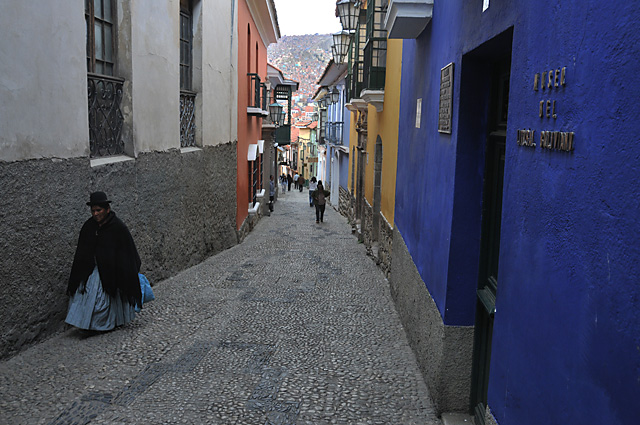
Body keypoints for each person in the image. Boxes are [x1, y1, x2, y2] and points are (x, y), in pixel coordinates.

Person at [66, 191, 142, 331]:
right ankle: (90, 325)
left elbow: (128, 252)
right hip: (93, 271)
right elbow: (82, 252)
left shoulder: (118, 227)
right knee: (91, 298)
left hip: (112, 272)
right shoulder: (89, 227)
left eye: (98, 210)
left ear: (107, 209)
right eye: (93, 211)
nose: (95, 214)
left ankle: (103, 325)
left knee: (104, 301)